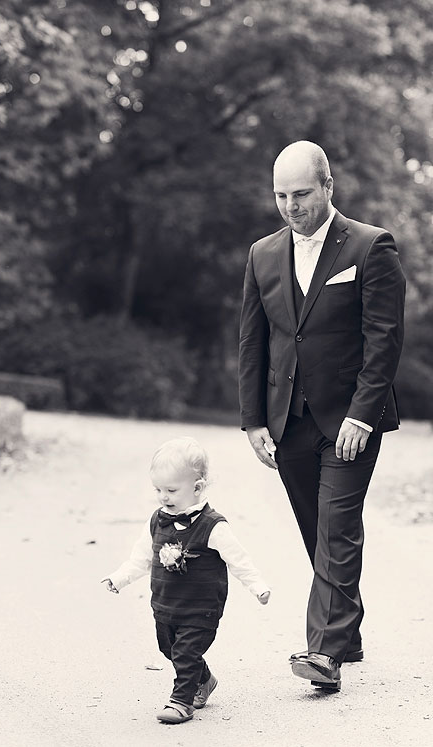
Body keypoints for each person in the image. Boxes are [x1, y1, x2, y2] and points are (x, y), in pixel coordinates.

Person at [238, 140, 406, 692]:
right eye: (281, 195)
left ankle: (324, 655)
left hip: (351, 419)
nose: (291, 206)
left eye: (302, 194)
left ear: (328, 187)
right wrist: (253, 420)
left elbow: (383, 340)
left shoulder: (370, 247)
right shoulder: (262, 254)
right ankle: (346, 631)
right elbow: (253, 342)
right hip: (287, 420)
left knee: (336, 528)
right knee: (318, 530)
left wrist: (363, 415)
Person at [102, 437, 270, 724]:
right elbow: (142, 557)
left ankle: (181, 702)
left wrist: (257, 586)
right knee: (169, 649)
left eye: (170, 490)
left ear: (197, 488)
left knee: (185, 651)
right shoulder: (157, 520)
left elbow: (238, 559)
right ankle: (204, 680)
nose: (163, 497)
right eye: (158, 489)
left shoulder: (213, 526)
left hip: (201, 608)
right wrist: (120, 578)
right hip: (166, 605)